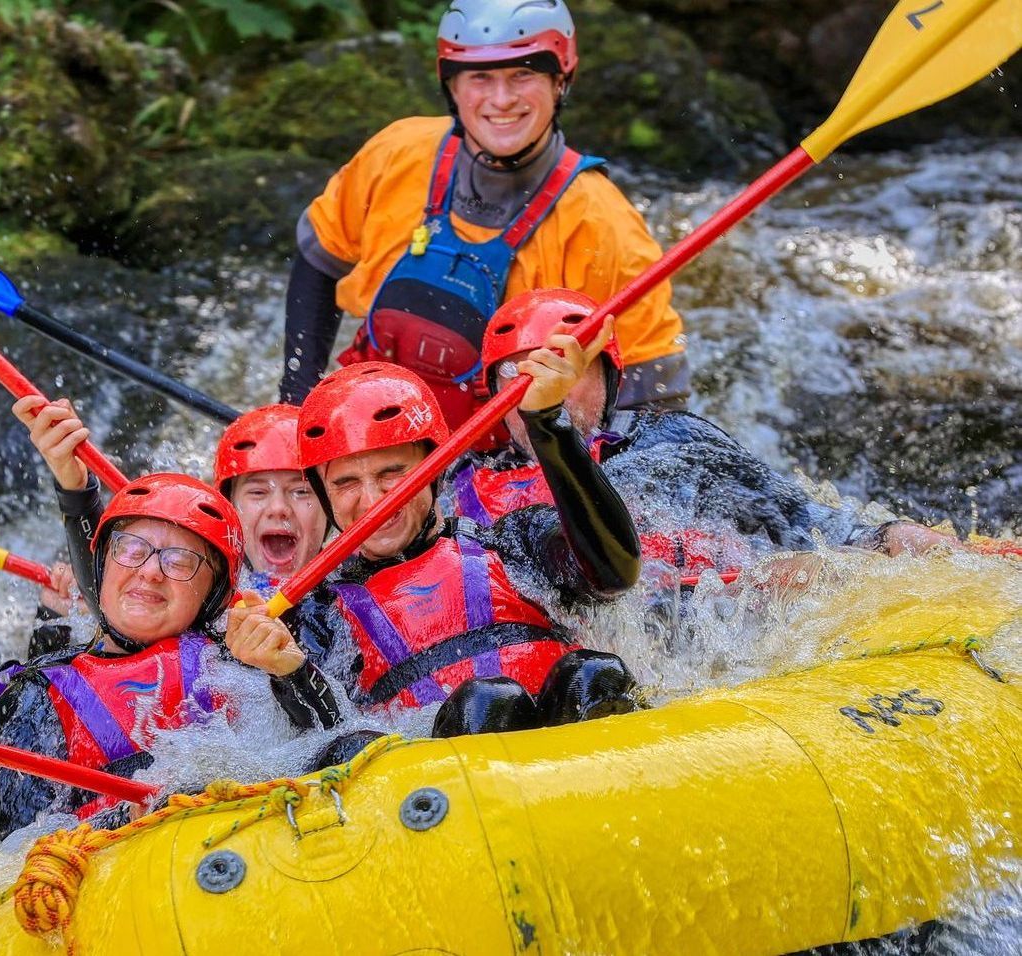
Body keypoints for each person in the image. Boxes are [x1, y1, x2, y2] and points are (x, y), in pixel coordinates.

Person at [281, 0, 688, 436]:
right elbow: (319, 259)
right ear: (452, 87)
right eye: (480, 77)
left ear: (559, 81)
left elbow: (653, 405)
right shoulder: (397, 154)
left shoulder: (602, 223)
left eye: (523, 74)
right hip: (376, 447)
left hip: (508, 472)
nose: (501, 99)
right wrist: (298, 410)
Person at [0, 402, 338, 842]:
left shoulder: (242, 667)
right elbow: (11, 858)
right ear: (102, 567)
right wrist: (121, 824)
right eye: (132, 551)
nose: (150, 572)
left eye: (181, 561)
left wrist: (294, 670)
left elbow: (335, 747)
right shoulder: (33, 697)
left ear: (213, 596)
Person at [232, 355, 643, 740]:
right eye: (346, 483)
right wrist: (289, 670)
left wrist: (551, 425)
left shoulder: (515, 542)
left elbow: (613, 572)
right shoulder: (320, 614)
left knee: (595, 673)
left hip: (582, 756)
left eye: (393, 474)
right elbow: (332, 736)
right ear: (324, 496)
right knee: (486, 704)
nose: (373, 499)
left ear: (435, 473)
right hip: (453, 782)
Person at [449, 288, 957, 563]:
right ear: (493, 394)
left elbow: (800, 521)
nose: (545, 390)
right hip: (560, 660)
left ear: (610, 379)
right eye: (518, 375)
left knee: (804, 570)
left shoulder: (673, 444)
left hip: (715, 613)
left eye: (568, 369)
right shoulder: (454, 488)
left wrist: (889, 538)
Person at [213, 404, 328, 597]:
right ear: (230, 509)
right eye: (258, 492)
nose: (278, 508)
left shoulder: (359, 586)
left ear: (329, 510)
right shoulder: (203, 594)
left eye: (300, 491)